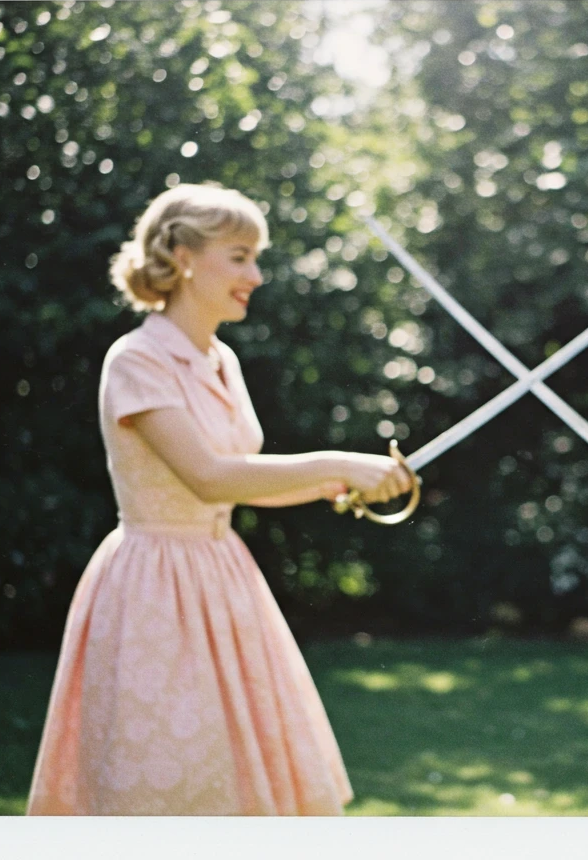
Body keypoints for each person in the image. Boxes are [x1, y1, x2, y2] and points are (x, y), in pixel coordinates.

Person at [26, 183, 413, 815]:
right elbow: (206, 476)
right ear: (181, 253)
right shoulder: (137, 359)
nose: (255, 276)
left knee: (241, 777)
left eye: (255, 258)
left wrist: (334, 487)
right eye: (238, 257)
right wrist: (340, 460)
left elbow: (237, 484)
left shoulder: (222, 359)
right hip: (152, 584)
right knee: (166, 776)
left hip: (224, 576)